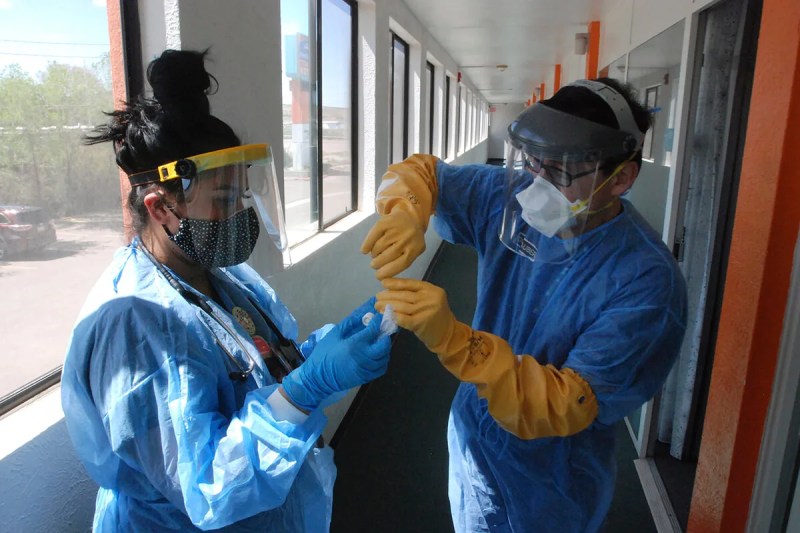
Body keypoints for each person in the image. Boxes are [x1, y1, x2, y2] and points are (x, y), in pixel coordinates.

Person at [61, 49, 391, 532]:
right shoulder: (136, 324)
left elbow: (256, 367)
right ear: (160, 208)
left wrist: (320, 351)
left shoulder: (220, 274)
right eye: (222, 199)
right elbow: (208, 486)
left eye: (240, 195)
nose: (239, 212)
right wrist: (308, 387)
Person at [362, 78, 688, 532]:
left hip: (552, 475)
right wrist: (405, 211)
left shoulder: (646, 283)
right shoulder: (506, 199)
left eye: (561, 171)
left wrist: (456, 341)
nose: (538, 186)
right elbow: (421, 173)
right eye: (534, 163)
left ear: (622, 178)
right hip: (475, 433)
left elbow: (565, 405)